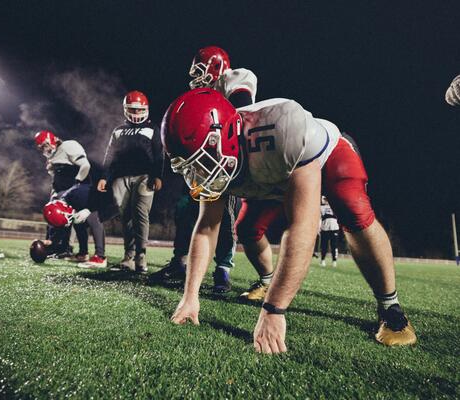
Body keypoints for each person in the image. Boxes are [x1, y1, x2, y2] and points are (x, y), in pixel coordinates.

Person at [162, 88, 417, 352]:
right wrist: (190, 297)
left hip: (325, 157)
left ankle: (390, 306)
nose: (198, 174)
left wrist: (274, 309)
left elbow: (303, 228)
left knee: (354, 211)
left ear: (224, 137)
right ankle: (265, 281)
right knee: (247, 229)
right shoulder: (216, 156)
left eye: (201, 162)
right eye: (189, 166)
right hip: (265, 175)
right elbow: (206, 229)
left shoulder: (282, 127)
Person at [150, 46, 255, 292]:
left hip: (227, 161)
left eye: (200, 69)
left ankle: (223, 271)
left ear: (216, 66)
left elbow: (240, 111)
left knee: (227, 219)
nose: (195, 76)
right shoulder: (204, 93)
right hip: (201, 163)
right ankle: (180, 262)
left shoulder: (234, 79)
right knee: (184, 209)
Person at [97, 91, 163, 274]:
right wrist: (104, 176)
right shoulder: (118, 130)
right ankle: (129, 256)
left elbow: (159, 155)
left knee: (141, 214)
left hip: (144, 176)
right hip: (121, 178)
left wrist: (158, 175)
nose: (135, 112)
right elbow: (110, 155)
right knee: (125, 217)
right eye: (132, 109)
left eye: (139, 109)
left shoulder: (152, 128)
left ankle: (141, 256)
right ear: (126, 109)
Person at [35, 130, 92, 261]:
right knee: (54, 220)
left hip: (72, 190)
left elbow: (85, 165)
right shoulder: (51, 157)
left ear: (52, 140)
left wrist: (77, 186)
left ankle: (83, 252)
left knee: (78, 222)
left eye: (45, 145)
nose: (44, 149)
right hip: (59, 192)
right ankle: (59, 248)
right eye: (41, 147)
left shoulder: (68, 146)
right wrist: (54, 194)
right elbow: (56, 178)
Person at [43, 183, 107, 268]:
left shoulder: (78, 194)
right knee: (78, 222)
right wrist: (52, 241)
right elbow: (62, 226)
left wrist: (89, 209)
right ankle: (83, 253)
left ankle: (100, 256)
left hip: (106, 200)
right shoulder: (62, 204)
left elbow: (99, 199)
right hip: (90, 201)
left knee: (93, 217)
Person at [320, 196, 339, 267]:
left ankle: (334, 261)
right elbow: (319, 218)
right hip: (324, 228)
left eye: (325, 199)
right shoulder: (321, 207)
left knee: (334, 246)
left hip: (334, 228)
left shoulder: (335, 206)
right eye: (324, 199)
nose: (325, 200)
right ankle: (322, 260)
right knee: (324, 245)